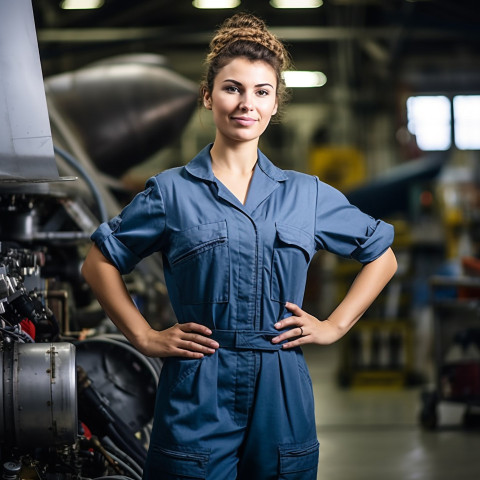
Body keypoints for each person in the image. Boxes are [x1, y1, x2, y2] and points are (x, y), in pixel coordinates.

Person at [81, 12, 397, 480]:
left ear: (274, 105)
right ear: (208, 97)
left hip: (281, 383)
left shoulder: (306, 195)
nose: (246, 103)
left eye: (261, 92)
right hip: (198, 381)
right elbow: (98, 262)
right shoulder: (171, 193)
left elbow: (382, 255)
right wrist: (145, 336)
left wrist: (334, 325)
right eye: (232, 88)